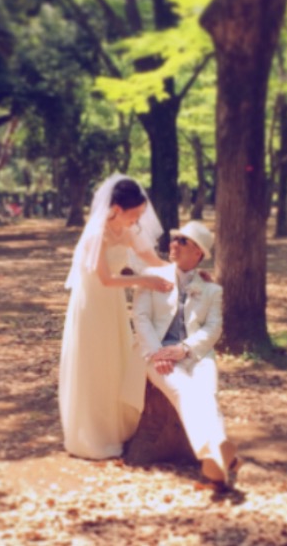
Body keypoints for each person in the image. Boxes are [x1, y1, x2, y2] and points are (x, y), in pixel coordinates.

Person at [59, 174, 173, 460]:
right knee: (95, 364)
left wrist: (185, 273)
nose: (137, 220)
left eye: (140, 215)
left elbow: (154, 261)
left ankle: (115, 427)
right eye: (134, 214)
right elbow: (106, 279)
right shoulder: (96, 235)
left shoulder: (129, 231)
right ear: (116, 209)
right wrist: (144, 281)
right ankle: (93, 435)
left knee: (114, 362)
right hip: (92, 305)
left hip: (113, 305)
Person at [132, 220, 239, 487]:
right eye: (174, 239)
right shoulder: (151, 276)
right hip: (158, 354)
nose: (174, 244)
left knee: (207, 393)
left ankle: (215, 458)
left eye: (182, 241)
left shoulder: (211, 289)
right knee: (183, 390)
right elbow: (140, 318)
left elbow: (213, 328)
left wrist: (186, 348)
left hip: (197, 354)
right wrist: (158, 353)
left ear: (198, 252)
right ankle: (216, 452)